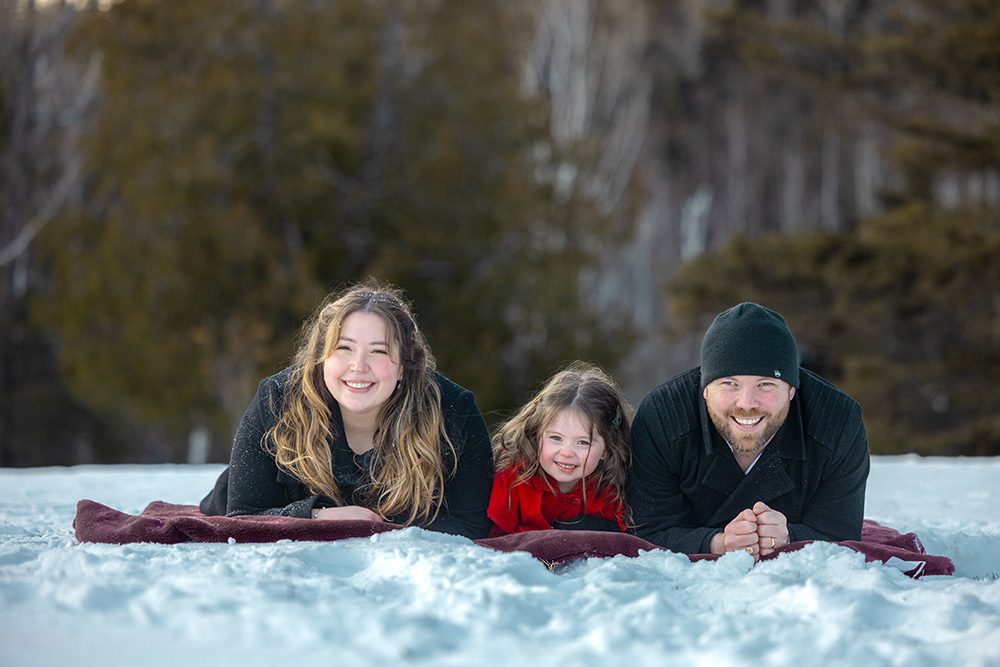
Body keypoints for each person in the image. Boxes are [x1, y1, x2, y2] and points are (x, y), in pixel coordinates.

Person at [199, 281, 494, 540]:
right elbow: (242, 517)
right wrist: (321, 517)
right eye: (344, 348)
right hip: (258, 500)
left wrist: (381, 527)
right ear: (321, 357)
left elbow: (471, 522)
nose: (358, 366)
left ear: (405, 365)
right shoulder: (276, 400)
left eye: (378, 351)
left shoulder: (453, 411)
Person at [627, 302, 870, 559]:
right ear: (705, 388)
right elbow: (647, 530)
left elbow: (842, 535)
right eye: (729, 384)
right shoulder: (663, 417)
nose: (746, 403)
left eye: (765, 384)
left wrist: (789, 536)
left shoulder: (836, 422)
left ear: (791, 390)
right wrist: (716, 543)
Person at [487, 362, 632, 535]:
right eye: (556, 438)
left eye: (583, 442)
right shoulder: (511, 478)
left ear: (607, 449)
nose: (566, 452)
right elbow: (490, 544)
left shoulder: (611, 489)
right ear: (536, 435)